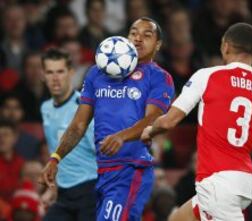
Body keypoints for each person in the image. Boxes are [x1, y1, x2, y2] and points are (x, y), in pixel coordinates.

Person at [141, 23, 252, 221]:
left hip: (218, 185)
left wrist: (149, 131)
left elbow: (168, 122)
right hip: (241, 182)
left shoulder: (207, 76)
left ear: (225, 46)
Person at [40, 17, 175, 221]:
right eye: (133, 33)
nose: (138, 39)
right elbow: (78, 124)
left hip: (132, 168)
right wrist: (56, 158)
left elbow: (153, 119)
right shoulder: (96, 73)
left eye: (147, 35)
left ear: (158, 45)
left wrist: (122, 137)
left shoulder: (158, 77)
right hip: (102, 172)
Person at [40, 48, 98, 221]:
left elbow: (103, 151)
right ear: (43, 75)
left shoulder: (84, 109)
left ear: (71, 72)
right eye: (50, 72)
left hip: (90, 191)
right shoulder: (46, 108)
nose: (55, 78)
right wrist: (53, 188)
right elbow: (55, 150)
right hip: (64, 194)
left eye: (60, 71)